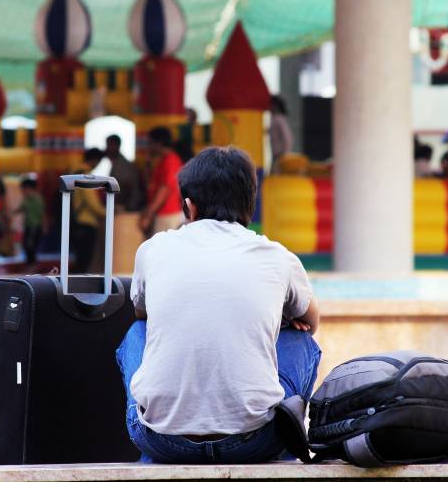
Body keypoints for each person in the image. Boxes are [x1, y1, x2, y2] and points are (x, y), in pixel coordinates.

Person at [116, 146, 321, 463]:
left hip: (163, 440)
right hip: (255, 441)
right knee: (300, 338)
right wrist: (277, 317)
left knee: (137, 331)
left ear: (189, 206)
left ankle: (155, 428)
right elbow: (311, 321)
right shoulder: (278, 256)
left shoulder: (153, 250)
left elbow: (141, 312)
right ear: (250, 205)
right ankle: (285, 441)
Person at [140, 127, 183, 235]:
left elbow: (165, 190)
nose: (148, 147)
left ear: (158, 143)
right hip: (163, 214)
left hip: (168, 215)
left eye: (150, 143)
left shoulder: (171, 161)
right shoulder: (163, 161)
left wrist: (149, 214)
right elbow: (150, 184)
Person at [70, 148, 107, 272]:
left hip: (76, 220)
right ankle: (76, 288)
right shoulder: (85, 176)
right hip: (85, 222)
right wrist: (108, 212)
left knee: (79, 258)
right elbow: (92, 203)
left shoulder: (74, 172)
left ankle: (72, 287)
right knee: (84, 260)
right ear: (95, 160)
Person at [106, 134, 143, 212]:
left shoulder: (124, 165)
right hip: (121, 207)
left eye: (109, 145)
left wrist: (128, 207)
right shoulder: (116, 163)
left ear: (116, 145)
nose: (106, 148)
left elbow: (128, 188)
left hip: (125, 208)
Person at [16, 177, 44, 266]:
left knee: (30, 245)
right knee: (26, 245)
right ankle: (30, 263)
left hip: (35, 226)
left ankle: (32, 264)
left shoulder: (37, 199)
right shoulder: (27, 200)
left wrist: (44, 226)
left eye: (24, 189)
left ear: (30, 188)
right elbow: (21, 208)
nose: (23, 191)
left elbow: (43, 213)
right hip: (28, 226)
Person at [269, 95, 293, 173]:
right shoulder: (275, 118)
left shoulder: (279, 119)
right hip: (276, 154)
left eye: (271, 105)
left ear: (275, 106)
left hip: (280, 154)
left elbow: (287, 137)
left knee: (276, 175)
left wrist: (285, 153)